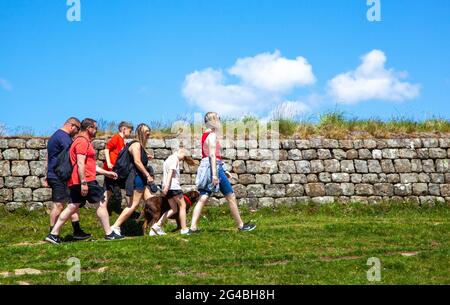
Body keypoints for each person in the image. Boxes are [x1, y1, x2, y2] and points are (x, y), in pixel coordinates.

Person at [45, 118, 123, 244]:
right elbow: (81, 164)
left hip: (77, 180)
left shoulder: (79, 141)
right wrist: (84, 183)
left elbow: (89, 165)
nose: (97, 130)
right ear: (89, 128)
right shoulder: (82, 142)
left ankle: (53, 234)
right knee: (101, 203)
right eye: (95, 128)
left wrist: (107, 172)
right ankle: (109, 233)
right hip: (86, 179)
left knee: (71, 206)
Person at [189, 112, 256, 233]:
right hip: (215, 168)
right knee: (230, 196)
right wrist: (216, 174)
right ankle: (241, 226)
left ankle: (192, 228)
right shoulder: (212, 136)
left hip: (208, 167)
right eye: (218, 119)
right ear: (213, 120)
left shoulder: (204, 135)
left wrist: (224, 170)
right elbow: (213, 155)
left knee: (203, 196)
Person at [45, 117, 91, 240]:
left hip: (57, 174)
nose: (77, 132)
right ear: (71, 126)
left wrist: (47, 174)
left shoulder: (56, 136)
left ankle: (77, 230)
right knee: (59, 205)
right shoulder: (63, 137)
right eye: (77, 129)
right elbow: (73, 154)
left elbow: (48, 157)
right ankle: (52, 233)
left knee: (73, 203)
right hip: (59, 175)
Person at [110, 123, 157, 235]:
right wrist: (147, 175)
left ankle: (154, 228)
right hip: (137, 179)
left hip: (141, 179)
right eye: (147, 133)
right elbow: (137, 161)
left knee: (153, 203)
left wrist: (146, 156)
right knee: (132, 205)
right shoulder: (136, 144)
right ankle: (115, 227)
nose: (148, 136)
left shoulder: (140, 146)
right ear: (141, 133)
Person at [150, 148, 198, 236]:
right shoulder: (174, 159)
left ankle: (156, 227)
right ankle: (184, 229)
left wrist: (165, 187)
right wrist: (167, 187)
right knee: (182, 206)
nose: (182, 159)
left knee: (174, 209)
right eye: (183, 157)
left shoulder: (168, 159)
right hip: (173, 186)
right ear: (181, 152)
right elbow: (170, 173)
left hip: (168, 187)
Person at [103, 121, 134, 215]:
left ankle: (104, 209)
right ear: (123, 129)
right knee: (108, 191)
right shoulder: (116, 137)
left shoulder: (122, 141)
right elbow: (107, 148)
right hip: (111, 169)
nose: (131, 133)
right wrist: (108, 162)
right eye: (130, 130)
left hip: (117, 170)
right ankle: (102, 209)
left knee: (109, 191)